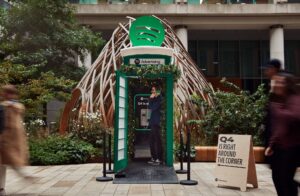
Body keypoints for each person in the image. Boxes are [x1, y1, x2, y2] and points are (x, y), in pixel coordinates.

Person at [264, 72, 300, 196]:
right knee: (278, 178)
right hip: (278, 148)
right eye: (276, 82)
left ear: (287, 85)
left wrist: (278, 110)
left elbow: (295, 116)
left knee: (284, 180)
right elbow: (278, 128)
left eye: (281, 82)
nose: (277, 85)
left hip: (291, 148)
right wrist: (271, 145)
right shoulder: (277, 101)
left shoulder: (295, 99)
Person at [0, 85, 31, 196]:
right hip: (10, 138)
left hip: (8, 138)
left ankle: (22, 175)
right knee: (4, 163)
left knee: (6, 162)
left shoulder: (8, 106)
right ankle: (2, 187)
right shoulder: (13, 106)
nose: (4, 95)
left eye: (6, 93)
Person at [147, 85, 163, 165]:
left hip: (156, 123)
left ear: (157, 91)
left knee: (157, 141)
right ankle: (154, 157)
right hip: (153, 122)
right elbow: (149, 109)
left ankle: (158, 158)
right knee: (151, 141)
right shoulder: (155, 99)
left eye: (153, 90)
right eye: (152, 90)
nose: (152, 92)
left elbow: (152, 108)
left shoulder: (159, 99)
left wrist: (150, 99)